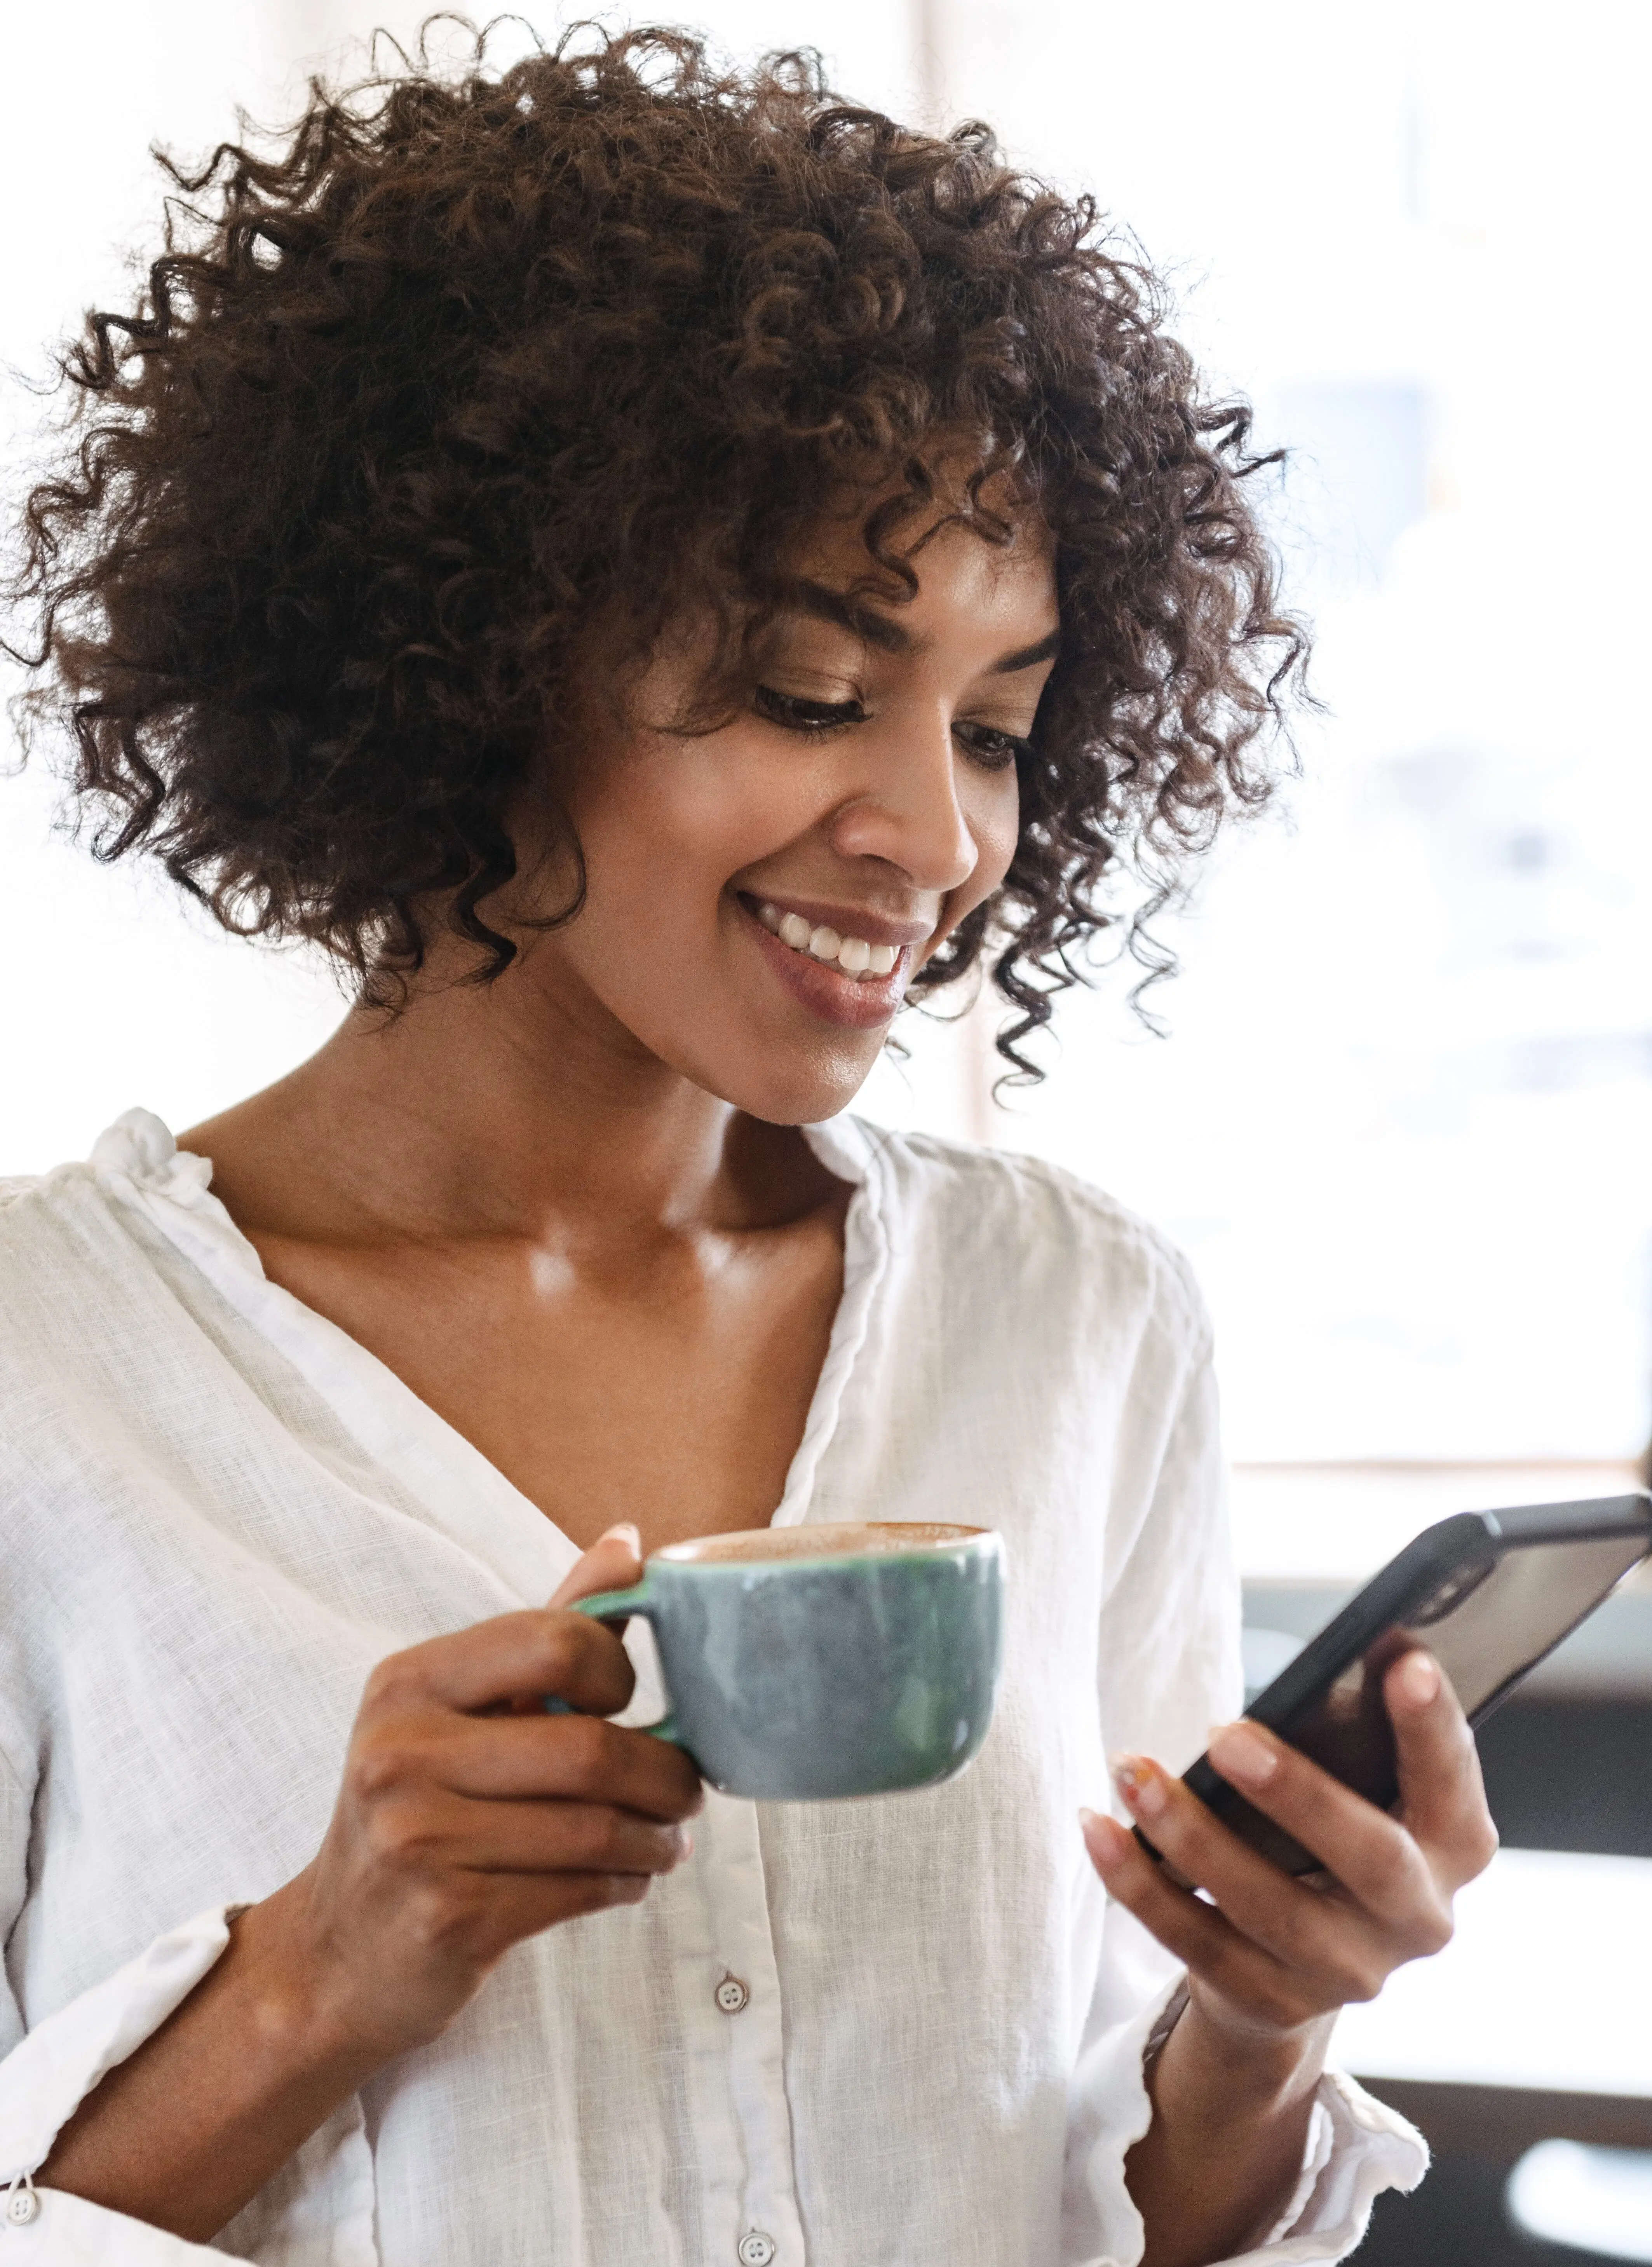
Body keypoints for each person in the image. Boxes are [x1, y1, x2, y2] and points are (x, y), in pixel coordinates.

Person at [0, 27, 1497, 2267]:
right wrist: (317, 1975)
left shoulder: (1074, 1318)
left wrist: (1256, 2029)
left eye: (996, 725)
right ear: (473, 653)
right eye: (812, 691)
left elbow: (1141, 2212)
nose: (935, 835)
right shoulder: (49, 1377)